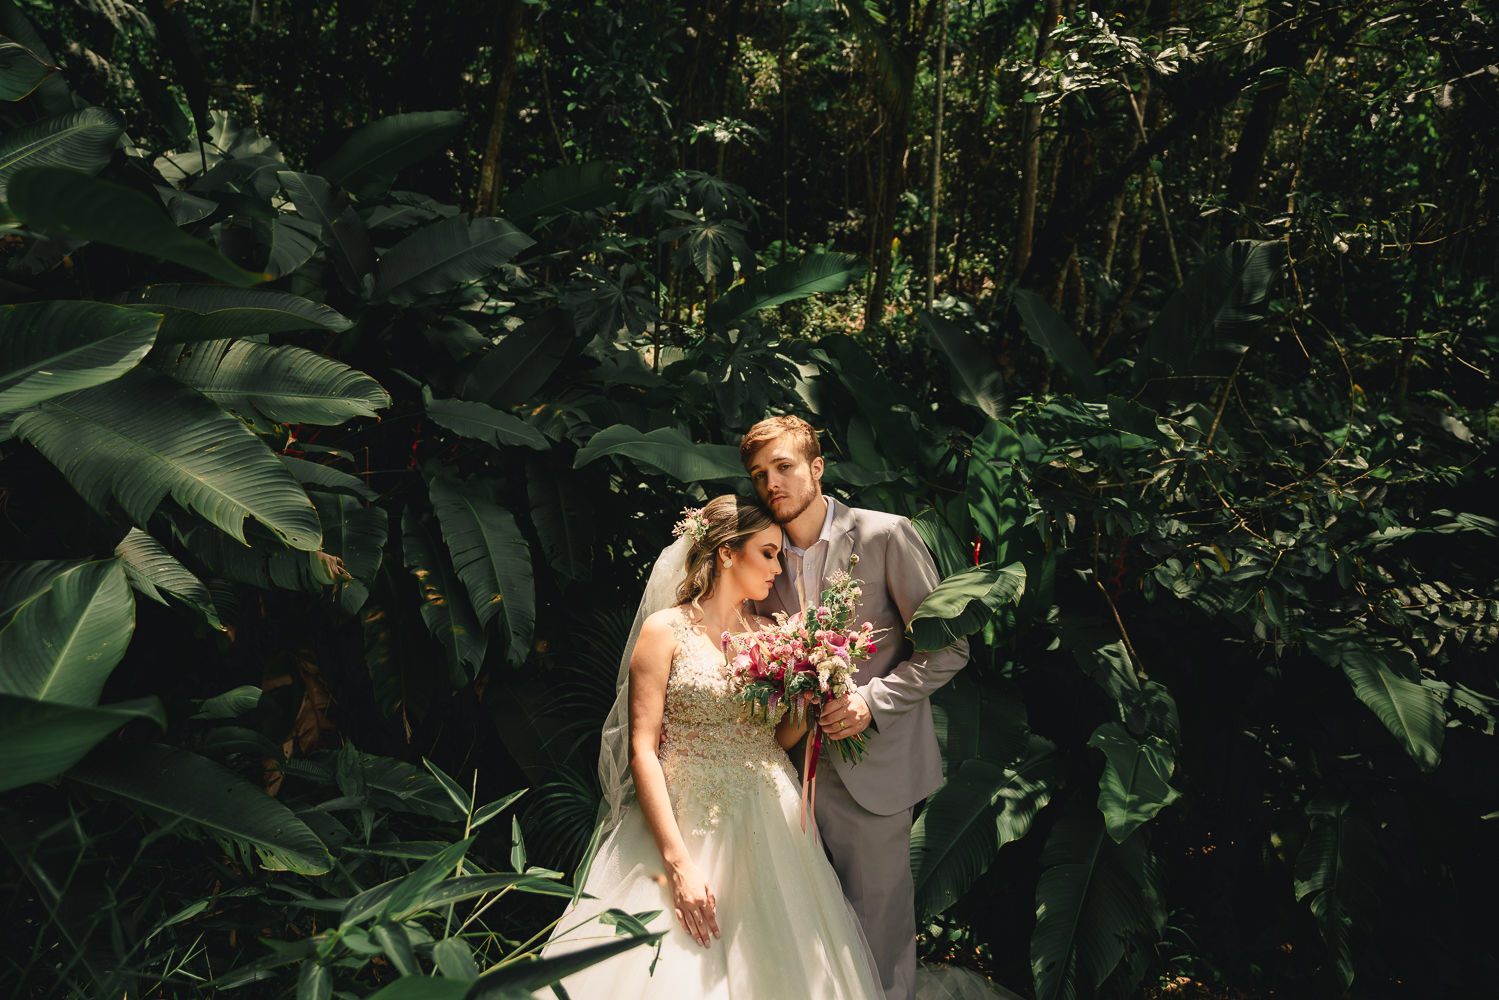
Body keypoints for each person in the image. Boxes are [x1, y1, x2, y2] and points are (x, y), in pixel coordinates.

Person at [539, 494, 885, 999]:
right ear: (727, 553)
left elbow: (775, 737)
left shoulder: (771, 634)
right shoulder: (665, 631)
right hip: (688, 813)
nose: (777, 568)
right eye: (767, 553)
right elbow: (642, 751)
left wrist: (811, 700)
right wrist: (678, 864)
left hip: (771, 816)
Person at [741, 415, 971, 1000]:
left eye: (785, 467)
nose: (772, 483)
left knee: (880, 934)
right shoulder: (758, 554)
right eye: (760, 474)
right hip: (786, 777)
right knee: (803, 932)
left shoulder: (885, 535)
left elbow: (949, 650)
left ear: (817, 467)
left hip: (876, 772)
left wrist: (872, 700)